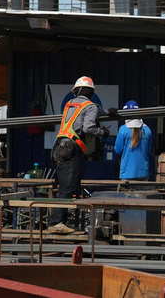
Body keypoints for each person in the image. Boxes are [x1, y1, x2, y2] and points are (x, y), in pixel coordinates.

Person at [50, 76, 110, 234]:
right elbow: (88, 128)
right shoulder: (90, 106)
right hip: (70, 148)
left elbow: (93, 110)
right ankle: (56, 222)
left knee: (67, 186)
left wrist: (108, 112)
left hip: (59, 146)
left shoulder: (71, 103)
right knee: (67, 187)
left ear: (77, 91)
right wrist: (102, 132)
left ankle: (60, 221)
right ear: (91, 92)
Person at [114, 100, 153, 181]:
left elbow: (117, 150)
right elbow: (149, 151)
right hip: (143, 173)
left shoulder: (123, 129)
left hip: (127, 174)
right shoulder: (147, 129)